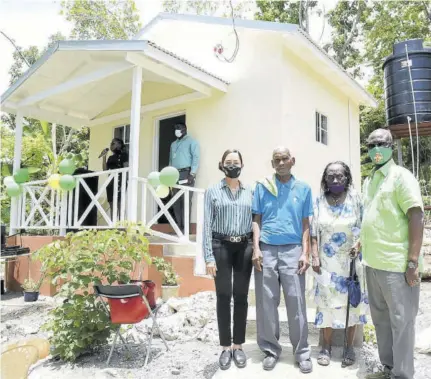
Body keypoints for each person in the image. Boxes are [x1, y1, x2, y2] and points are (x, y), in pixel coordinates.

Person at [361, 129, 424, 379]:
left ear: (391, 145)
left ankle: (403, 374)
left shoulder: (401, 177)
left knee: (402, 322)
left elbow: (417, 216)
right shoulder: (370, 179)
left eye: (382, 144)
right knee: (381, 320)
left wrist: (412, 262)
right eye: (372, 145)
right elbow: (373, 217)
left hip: (397, 265)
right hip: (372, 263)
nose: (377, 150)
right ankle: (388, 366)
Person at [252, 147, 313, 374]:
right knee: (266, 302)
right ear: (272, 163)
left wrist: (305, 252)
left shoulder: (304, 188)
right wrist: (256, 248)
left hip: (293, 250)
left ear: (292, 161)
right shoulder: (262, 186)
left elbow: (306, 223)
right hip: (266, 250)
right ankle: (270, 350)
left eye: (284, 159)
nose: (280, 163)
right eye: (276, 160)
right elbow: (256, 219)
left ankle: (302, 352)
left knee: (296, 302)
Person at [310, 161, 368, 367]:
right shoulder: (318, 201)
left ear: (347, 178)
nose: (335, 179)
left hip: (351, 262)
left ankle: (348, 347)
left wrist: (359, 246)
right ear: (325, 179)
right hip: (326, 264)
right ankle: (325, 346)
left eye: (340, 176)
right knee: (325, 304)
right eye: (331, 176)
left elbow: (364, 226)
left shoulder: (356, 199)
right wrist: (314, 255)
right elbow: (314, 232)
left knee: (351, 304)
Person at [203, 149, 253, 370]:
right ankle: (225, 347)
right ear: (222, 164)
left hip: (244, 247)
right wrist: (208, 257)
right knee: (223, 296)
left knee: (241, 296)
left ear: (242, 164)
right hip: (220, 245)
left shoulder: (250, 191)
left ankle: (238, 345)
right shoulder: (213, 191)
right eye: (228, 162)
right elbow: (205, 226)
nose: (232, 165)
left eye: (236, 161)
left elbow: (255, 222)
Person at [169, 123, 200, 231]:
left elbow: (196, 158)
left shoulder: (191, 141)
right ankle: (179, 226)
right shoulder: (173, 144)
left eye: (178, 128)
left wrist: (192, 173)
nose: (176, 130)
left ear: (184, 129)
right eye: (175, 128)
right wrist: (169, 175)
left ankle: (186, 228)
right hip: (174, 174)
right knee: (176, 201)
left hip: (186, 173)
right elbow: (170, 161)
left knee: (186, 200)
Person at [101, 138, 129, 218]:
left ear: (120, 145)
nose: (111, 145)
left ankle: (120, 223)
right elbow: (105, 170)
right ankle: (113, 225)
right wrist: (104, 157)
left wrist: (124, 181)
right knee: (112, 203)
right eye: (111, 143)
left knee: (119, 203)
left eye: (113, 143)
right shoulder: (110, 157)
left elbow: (125, 168)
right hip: (110, 182)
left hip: (120, 181)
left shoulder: (124, 155)